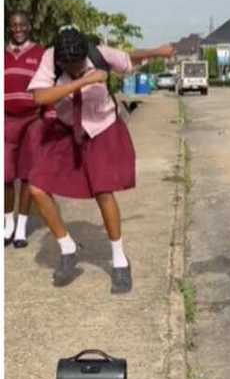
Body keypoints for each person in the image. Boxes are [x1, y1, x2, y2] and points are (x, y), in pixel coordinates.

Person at [25, 26, 174, 293]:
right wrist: (82, 81)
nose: (76, 67)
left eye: (79, 64)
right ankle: (67, 248)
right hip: (67, 129)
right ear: (59, 61)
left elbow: (129, 58)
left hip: (102, 127)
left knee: (103, 191)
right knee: (36, 187)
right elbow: (39, 96)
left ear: (86, 54)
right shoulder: (51, 59)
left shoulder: (99, 54)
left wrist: (157, 51)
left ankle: (119, 261)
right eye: (69, 65)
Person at [5, 12, 51, 248]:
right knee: (5, 176)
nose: (18, 28)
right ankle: (8, 223)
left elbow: (48, 85)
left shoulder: (41, 53)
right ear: (10, 28)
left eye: (22, 24)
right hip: (7, 120)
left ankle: (21, 227)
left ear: (29, 26)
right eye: (14, 25)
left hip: (33, 118)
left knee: (26, 175)